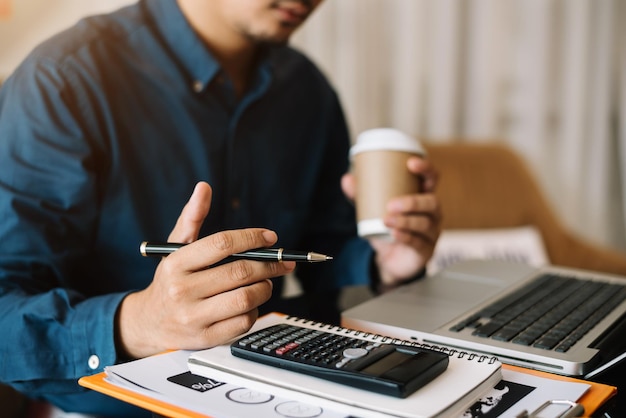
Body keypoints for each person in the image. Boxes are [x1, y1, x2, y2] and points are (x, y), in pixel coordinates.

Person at [0, 0, 441, 416]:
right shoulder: (64, 81)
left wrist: (382, 264)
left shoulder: (307, 90)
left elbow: (325, 256)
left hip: (274, 394)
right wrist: (138, 324)